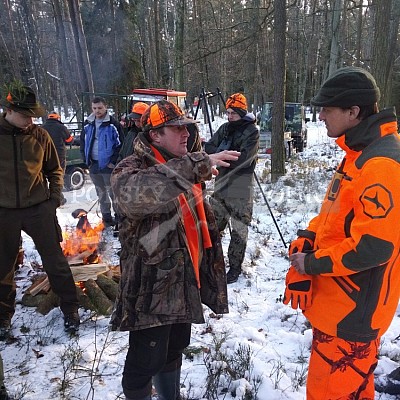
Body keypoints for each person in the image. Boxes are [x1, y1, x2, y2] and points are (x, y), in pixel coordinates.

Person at [110, 99, 240, 400]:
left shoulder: (186, 164)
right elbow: (137, 196)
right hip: (151, 288)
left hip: (184, 279)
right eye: (176, 128)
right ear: (155, 134)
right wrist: (197, 165)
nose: (185, 133)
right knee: (144, 363)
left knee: (175, 348)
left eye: (187, 127)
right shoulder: (130, 168)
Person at [285, 67, 400, 399]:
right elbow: (336, 216)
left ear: (354, 112)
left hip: (352, 315)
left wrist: (312, 264)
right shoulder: (358, 153)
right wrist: (308, 238)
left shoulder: (380, 164)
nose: (320, 115)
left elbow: (373, 248)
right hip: (340, 307)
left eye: (327, 108)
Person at [0, 83, 80, 335]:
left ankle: (71, 309)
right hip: (4, 212)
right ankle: (3, 317)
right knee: (3, 266)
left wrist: (53, 199)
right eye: (26, 115)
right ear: (9, 110)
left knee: (55, 262)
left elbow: (54, 170)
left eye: (33, 115)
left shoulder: (40, 135)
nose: (30, 120)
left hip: (38, 209)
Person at [204, 93, 259, 284]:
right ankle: (210, 262)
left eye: (233, 113)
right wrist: (221, 155)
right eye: (227, 112)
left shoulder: (252, 131)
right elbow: (210, 148)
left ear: (241, 112)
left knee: (239, 229)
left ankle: (234, 268)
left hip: (241, 187)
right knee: (213, 225)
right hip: (221, 185)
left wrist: (222, 157)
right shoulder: (225, 129)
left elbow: (244, 159)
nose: (229, 116)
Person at [80, 96, 123, 227]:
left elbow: (120, 144)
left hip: (108, 166)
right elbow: (83, 142)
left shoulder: (112, 124)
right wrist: (86, 160)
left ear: (105, 107)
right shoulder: (88, 124)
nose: (97, 111)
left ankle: (119, 218)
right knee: (101, 192)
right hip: (93, 164)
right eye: (94, 108)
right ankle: (107, 218)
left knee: (112, 193)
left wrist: (113, 162)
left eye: (100, 108)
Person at [42, 111, 73, 205]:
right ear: (57, 118)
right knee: (58, 176)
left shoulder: (42, 128)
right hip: (59, 155)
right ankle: (58, 198)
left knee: (45, 177)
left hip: (45, 155)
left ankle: (46, 196)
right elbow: (70, 140)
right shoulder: (61, 127)